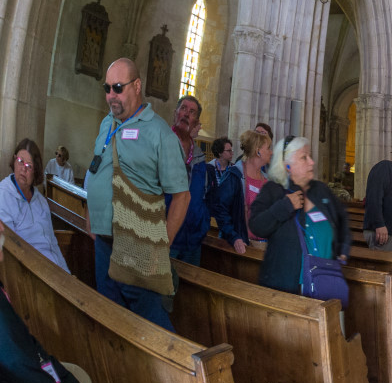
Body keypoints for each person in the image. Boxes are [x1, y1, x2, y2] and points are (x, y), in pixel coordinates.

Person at [87, 58, 189, 332]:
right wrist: (91, 216)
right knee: (111, 321)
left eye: (118, 88)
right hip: (104, 245)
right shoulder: (106, 124)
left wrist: (161, 246)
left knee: (148, 327)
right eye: (107, 88)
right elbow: (97, 170)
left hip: (139, 248)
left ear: (137, 86)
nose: (111, 95)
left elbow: (182, 196)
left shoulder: (159, 133)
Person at [0, 209, 93, 383]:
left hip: (26, 379)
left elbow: (26, 345)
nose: (0, 226)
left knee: (81, 380)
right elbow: (22, 370)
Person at [248, 136, 350, 294]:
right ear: (287, 165)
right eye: (304, 157)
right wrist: (285, 206)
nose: (312, 162)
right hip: (286, 286)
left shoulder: (321, 190)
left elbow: (342, 219)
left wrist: (343, 249)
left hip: (325, 281)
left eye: (310, 156)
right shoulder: (273, 190)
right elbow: (256, 226)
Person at [0, 139, 71, 273]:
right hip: (30, 272)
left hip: (55, 271)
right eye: (20, 161)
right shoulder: (4, 195)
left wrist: (66, 274)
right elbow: (8, 246)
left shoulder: (41, 201)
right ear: (14, 161)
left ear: (36, 170)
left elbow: (52, 243)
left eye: (29, 165)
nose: (23, 168)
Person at [168, 96, 216, 266]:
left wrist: (202, 224)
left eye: (192, 112)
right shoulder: (162, 144)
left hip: (192, 241)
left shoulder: (199, 156)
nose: (186, 114)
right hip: (166, 238)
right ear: (176, 114)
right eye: (183, 109)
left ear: (196, 122)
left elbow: (203, 194)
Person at [212, 130, 269, 254]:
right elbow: (220, 209)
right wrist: (234, 237)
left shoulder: (267, 180)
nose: (271, 152)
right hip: (241, 245)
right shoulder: (234, 175)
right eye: (268, 148)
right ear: (258, 151)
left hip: (263, 247)